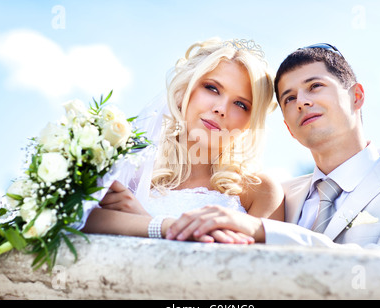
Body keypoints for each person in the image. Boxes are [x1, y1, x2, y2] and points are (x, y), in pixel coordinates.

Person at [166, 43, 380, 251]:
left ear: (356, 96)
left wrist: (264, 230)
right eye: (289, 97)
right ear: (288, 128)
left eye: (315, 86)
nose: (302, 102)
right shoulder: (281, 196)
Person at [82, 38, 284, 243]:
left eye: (241, 104)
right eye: (212, 88)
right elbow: (78, 220)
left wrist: (146, 222)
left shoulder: (259, 190)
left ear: (250, 122)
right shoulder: (131, 168)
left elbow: (253, 270)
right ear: (183, 92)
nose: (221, 109)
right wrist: (160, 226)